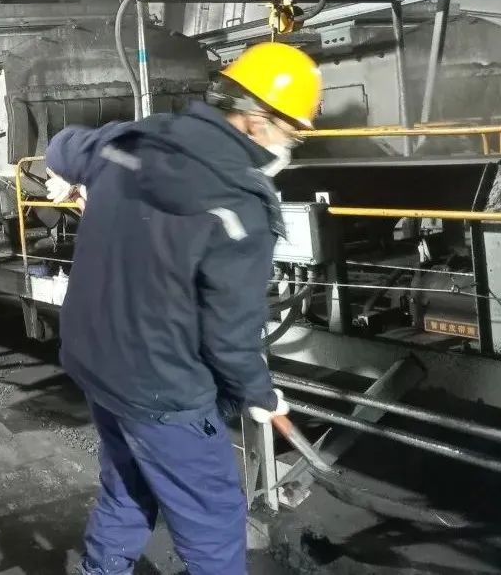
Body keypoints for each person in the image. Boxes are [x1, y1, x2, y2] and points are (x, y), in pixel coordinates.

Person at [44, 41, 318, 575]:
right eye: (293, 131)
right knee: (214, 521)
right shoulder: (240, 206)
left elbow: (62, 146)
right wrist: (260, 395)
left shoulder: (133, 140)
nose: (292, 143)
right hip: (162, 386)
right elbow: (229, 335)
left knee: (128, 484)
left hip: (96, 363)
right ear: (257, 119)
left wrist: (69, 176)